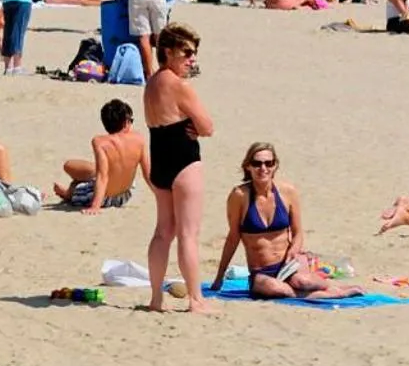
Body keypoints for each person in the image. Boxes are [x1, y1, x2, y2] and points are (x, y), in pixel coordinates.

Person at [210, 144, 364, 300]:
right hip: (261, 272)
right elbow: (233, 237)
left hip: (288, 266)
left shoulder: (287, 192)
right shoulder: (240, 196)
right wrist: (219, 277)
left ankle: (330, 288)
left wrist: (294, 250)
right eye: (257, 164)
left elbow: (298, 233)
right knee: (276, 289)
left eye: (268, 163)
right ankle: (330, 294)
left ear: (275, 165)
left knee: (302, 281)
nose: (263, 168)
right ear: (248, 166)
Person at [144, 23, 215, 313]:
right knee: (188, 233)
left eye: (194, 53)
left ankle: (156, 299)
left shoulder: (152, 83)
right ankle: (196, 300)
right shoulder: (178, 85)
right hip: (183, 158)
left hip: (159, 155)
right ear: (168, 52)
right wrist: (198, 129)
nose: (191, 59)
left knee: (163, 231)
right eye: (186, 52)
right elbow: (208, 127)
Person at [53, 99, 146, 213]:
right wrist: (161, 196)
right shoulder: (138, 139)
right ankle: (76, 187)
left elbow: (102, 176)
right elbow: (149, 172)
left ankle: (67, 193)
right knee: (96, 171)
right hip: (125, 195)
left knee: (71, 172)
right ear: (125, 122)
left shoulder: (100, 142)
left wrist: (95, 206)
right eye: (131, 120)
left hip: (105, 199)